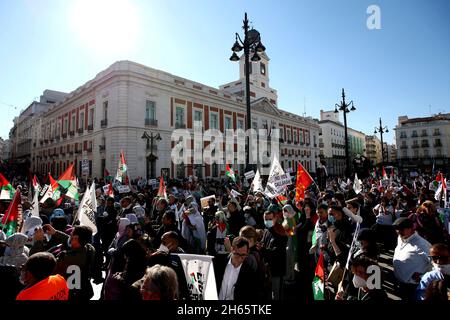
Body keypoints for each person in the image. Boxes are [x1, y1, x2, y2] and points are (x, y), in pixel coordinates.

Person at [392, 217, 432, 301]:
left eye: (401, 229)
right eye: (396, 229)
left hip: (412, 287)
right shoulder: (401, 237)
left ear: (411, 228)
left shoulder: (422, 244)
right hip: (400, 282)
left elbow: (435, 263)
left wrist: (423, 276)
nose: (398, 231)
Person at [214, 236, 258, 301]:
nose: (240, 259)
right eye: (237, 254)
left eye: (243, 255)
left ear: (247, 252)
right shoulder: (219, 262)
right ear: (231, 250)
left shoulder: (249, 272)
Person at [260, 209, 288, 300]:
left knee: (277, 294)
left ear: (275, 218)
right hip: (268, 268)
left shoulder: (280, 231)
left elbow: (277, 252)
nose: (267, 221)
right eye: (265, 219)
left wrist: (263, 249)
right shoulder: (267, 230)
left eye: (270, 219)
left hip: (277, 269)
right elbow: (264, 243)